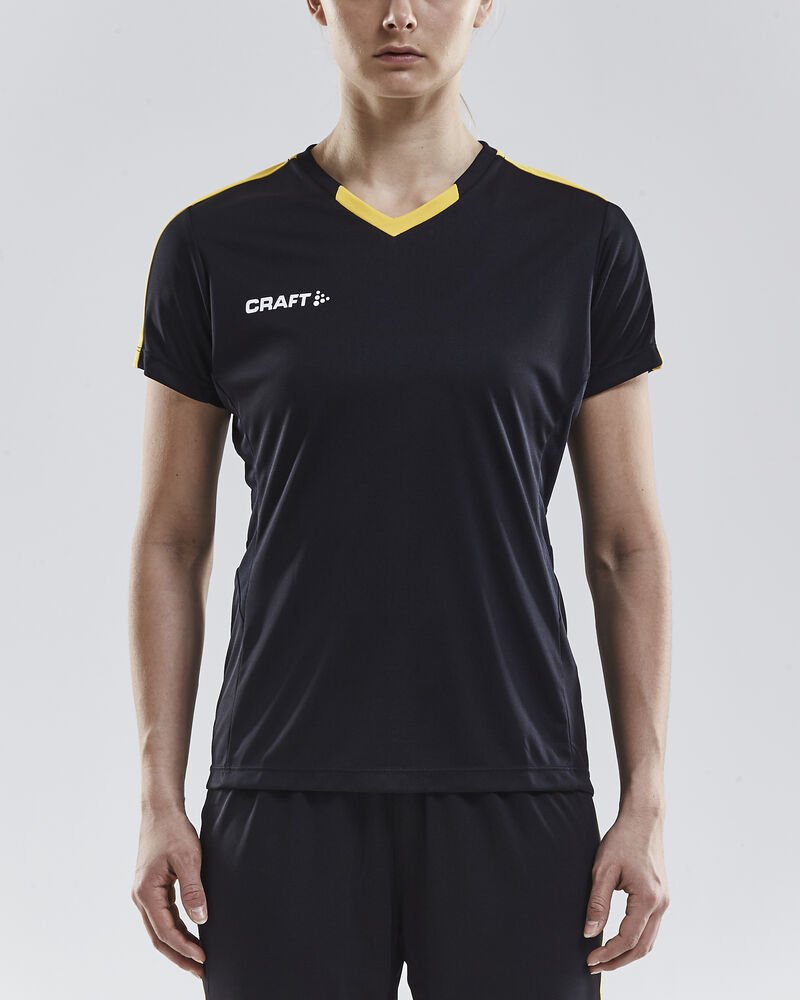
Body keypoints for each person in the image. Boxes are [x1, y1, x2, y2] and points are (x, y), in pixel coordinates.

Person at [128, 1, 671, 997]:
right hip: (282, 789)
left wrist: (646, 801)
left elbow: (624, 544)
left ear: (485, 5)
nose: (398, 15)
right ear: (315, 4)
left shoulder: (579, 241)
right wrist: (158, 797)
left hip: (517, 784)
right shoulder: (214, 244)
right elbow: (171, 539)